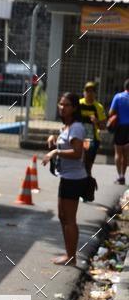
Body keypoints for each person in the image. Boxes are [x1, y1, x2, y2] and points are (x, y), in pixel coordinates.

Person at [42, 92, 87, 266]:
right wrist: (54, 140)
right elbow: (65, 145)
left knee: (69, 219)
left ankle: (71, 257)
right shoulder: (66, 127)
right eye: (61, 104)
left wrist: (56, 151)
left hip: (74, 179)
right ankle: (69, 254)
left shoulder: (76, 127)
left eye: (66, 105)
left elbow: (77, 153)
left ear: (75, 108)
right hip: (67, 177)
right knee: (62, 216)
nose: (62, 107)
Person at [79, 81, 106, 177]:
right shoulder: (78, 104)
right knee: (78, 164)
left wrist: (97, 122)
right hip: (78, 137)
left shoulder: (98, 107)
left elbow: (103, 126)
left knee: (87, 165)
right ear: (84, 92)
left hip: (91, 139)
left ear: (95, 93)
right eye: (87, 91)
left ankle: (87, 185)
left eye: (92, 91)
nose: (89, 93)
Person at [109, 78, 129, 184]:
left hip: (120, 127)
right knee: (126, 154)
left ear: (125, 87)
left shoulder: (118, 97)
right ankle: (123, 175)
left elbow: (111, 112)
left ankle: (120, 176)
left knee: (118, 152)